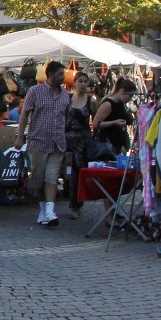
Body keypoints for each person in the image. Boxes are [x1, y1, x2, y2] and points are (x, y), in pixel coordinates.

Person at [15, 60, 72, 227]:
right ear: (51, 74)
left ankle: (50, 211)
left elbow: (66, 116)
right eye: (61, 74)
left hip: (57, 143)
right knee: (39, 179)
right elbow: (25, 114)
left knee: (52, 177)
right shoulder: (35, 91)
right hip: (39, 141)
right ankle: (43, 209)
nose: (64, 77)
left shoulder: (65, 95)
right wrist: (20, 137)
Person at [65, 71, 96, 221]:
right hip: (66, 139)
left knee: (77, 173)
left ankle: (76, 206)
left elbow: (96, 120)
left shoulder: (91, 100)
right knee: (66, 172)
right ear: (75, 82)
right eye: (81, 81)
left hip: (82, 140)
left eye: (86, 81)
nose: (83, 84)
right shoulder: (67, 98)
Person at [93, 77, 138, 155]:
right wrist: (114, 122)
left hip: (119, 145)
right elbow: (96, 124)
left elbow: (129, 120)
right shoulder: (108, 104)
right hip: (107, 145)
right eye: (130, 96)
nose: (130, 99)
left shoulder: (122, 104)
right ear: (122, 91)